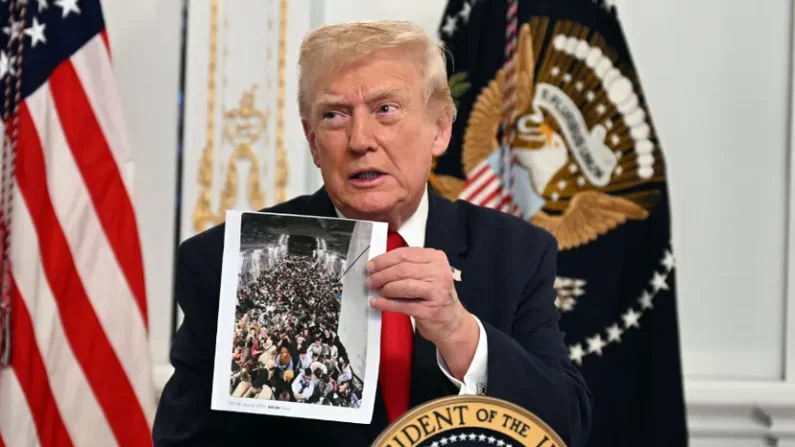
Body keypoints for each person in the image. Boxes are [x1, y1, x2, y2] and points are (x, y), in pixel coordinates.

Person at [152, 20, 592, 446]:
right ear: (312, 141)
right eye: (334, 115)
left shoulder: (515, 252)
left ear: (440, 129)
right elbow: (185, 439)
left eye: (386, 109)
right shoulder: (221, 261)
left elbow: (565, 426)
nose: (360, 139)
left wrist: (459, 332)